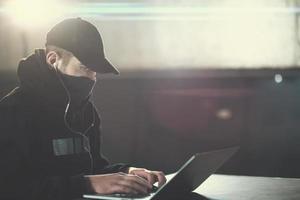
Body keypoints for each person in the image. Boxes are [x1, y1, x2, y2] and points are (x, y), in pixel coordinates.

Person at [0, 18, 166, 200]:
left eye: (94, 71)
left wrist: (126, 172)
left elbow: (92, 168)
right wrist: (88, 184)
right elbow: (10, 188)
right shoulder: (12, 112)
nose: (92, 78)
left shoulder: (86, 111)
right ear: (53, 59)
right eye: (85, 68)